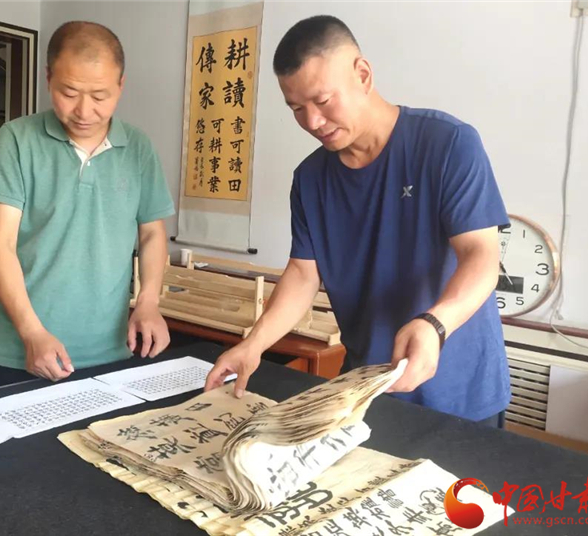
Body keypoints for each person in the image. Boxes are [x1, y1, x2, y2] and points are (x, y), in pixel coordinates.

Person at [205, 15, 510, 426]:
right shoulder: (310, 179)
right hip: (366, 386)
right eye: (297, 108)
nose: (312, 122)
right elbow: (303, 274)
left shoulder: (447, 144)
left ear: (362, 75)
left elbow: (481, 256)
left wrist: (435, 324)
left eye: (323, 101)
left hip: (460, 389)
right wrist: (254, 344)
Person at [0, 22, 175, 389]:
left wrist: (148, 301)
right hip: (21, 350)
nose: (84, 111)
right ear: (48, 78)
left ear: (121, 86)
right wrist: (31, 332)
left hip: (110, 351)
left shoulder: (139, 148)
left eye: (100, 96)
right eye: (68, 93)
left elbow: (151, 233)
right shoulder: (16, 140)